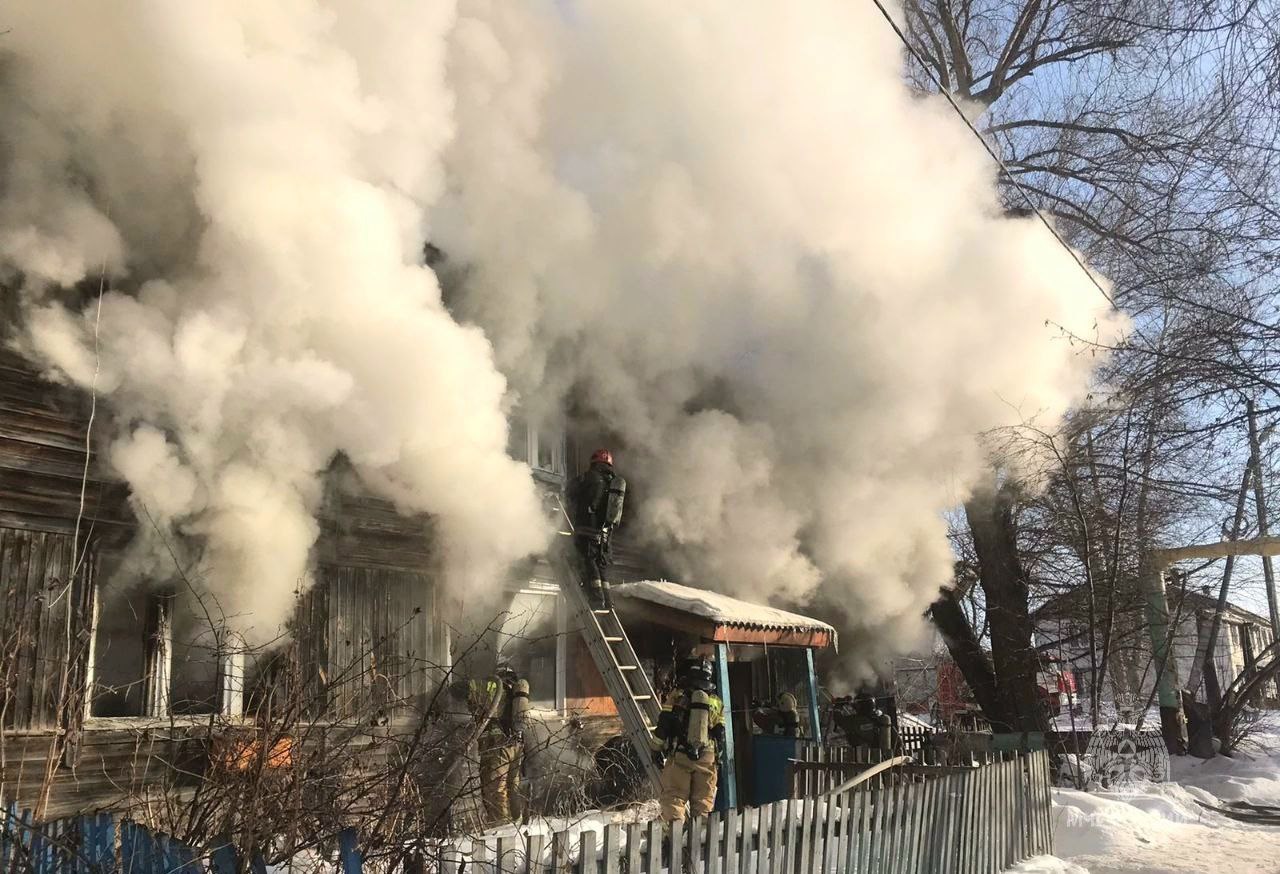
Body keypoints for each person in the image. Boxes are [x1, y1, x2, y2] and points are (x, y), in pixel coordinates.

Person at [651, 656, 725, 822]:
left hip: (681, 756)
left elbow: (664, 725)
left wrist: (655, 749)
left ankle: (675, 839)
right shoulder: (716, 701)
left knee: (674, 799)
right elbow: (720, 734)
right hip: (707, 758)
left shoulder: (677, 696)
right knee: (703, 804)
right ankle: (702, 842)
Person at [565, 448, 627, 607]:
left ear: (594, 463)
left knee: (588, 562)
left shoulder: (589, 477)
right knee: (601, 567)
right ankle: (608, 601)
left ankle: (596, 599)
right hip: (605, 535)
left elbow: (570, 490)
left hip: (588, 530)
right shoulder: (611, 481)